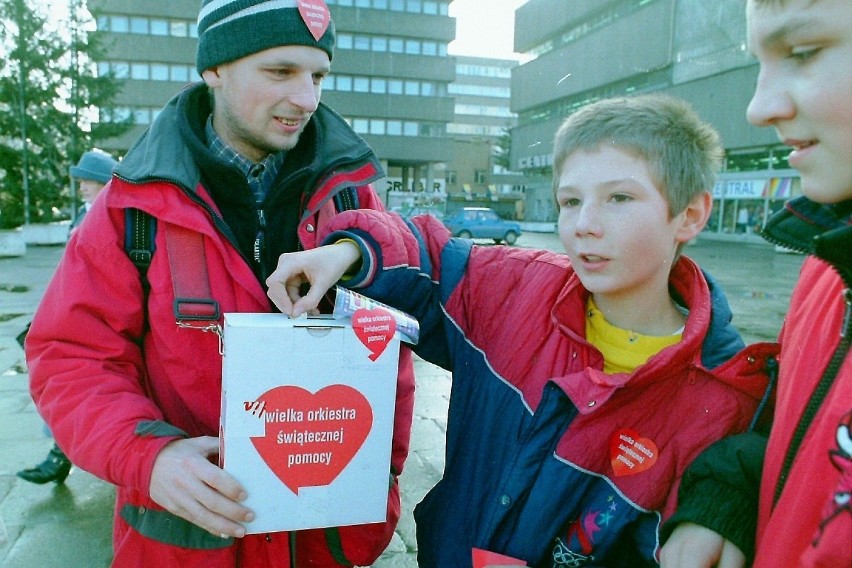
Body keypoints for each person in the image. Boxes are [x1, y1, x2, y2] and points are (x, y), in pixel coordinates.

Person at [264, 94, 780, 567]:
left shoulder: (728, 398)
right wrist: (350, 249)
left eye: (619, 198)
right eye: (570, 201)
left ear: (689, 215)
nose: (584, 224)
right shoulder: (514, 291)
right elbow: (431, 255)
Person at [24, 1, 415, 566]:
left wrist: (382, 479)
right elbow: (71, 356)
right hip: (185, 544)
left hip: (322, 541)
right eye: (280, 72)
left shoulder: (355, 204)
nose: (306, 98)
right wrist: (148, 459)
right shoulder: (132, 208)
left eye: (318, 75)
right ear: (214, 70)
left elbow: (394, 351)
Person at [659, 1, 852, 567]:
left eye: (803, 52)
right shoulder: (826, 270)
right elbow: (803, 432)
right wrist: (731, 500)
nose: (759, 107)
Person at [16, 149, 118, 486]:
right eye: (82, 181)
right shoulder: (82, 215)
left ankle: (61, 458)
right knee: (64, 380)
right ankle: (60, 456)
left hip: (106, 313)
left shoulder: (119, 215)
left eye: (90, 181)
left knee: (82, 382)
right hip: (76, 307)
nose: (83, 187)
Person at [69, 149, 118, 231]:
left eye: (88, 182)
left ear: (105, 186)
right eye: (80, 182)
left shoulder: (115, 218)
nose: (82, 188)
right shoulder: (83, 213)